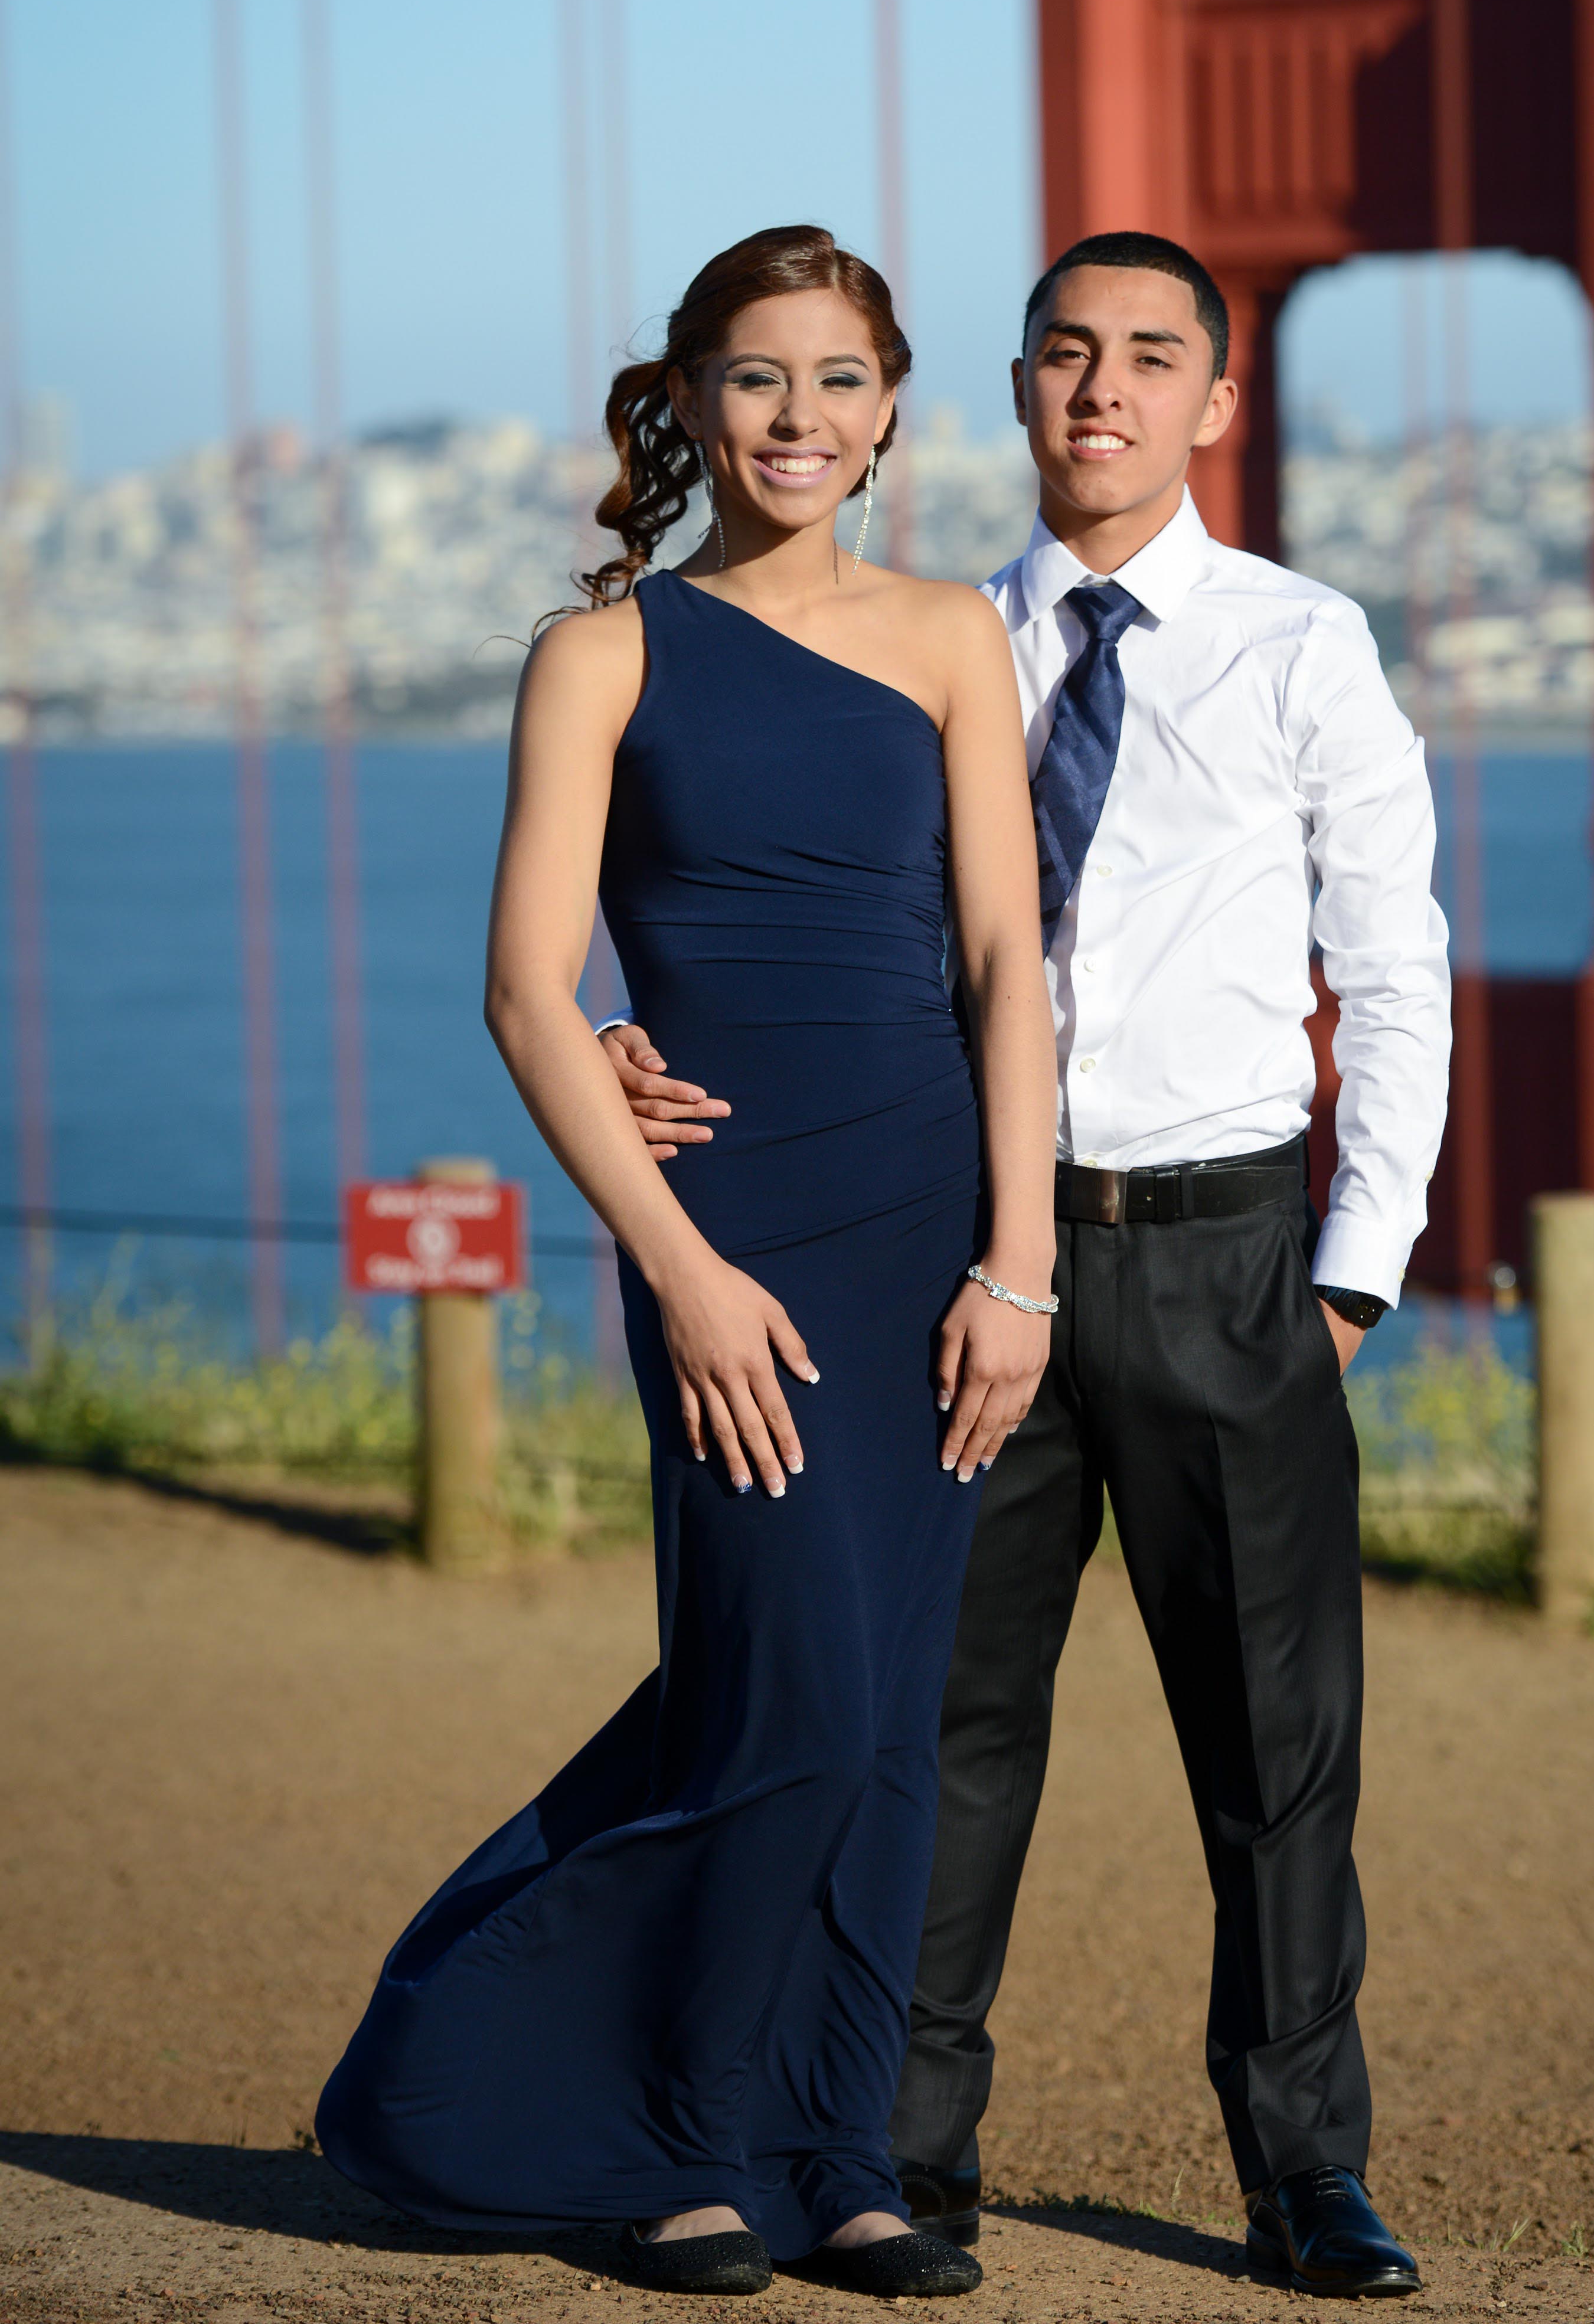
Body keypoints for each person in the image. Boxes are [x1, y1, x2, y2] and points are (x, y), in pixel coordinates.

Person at [601, 230, 1452, 2297]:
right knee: (939, 1728)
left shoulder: (1300, 640)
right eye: (1067, 352)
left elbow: (1393, 964)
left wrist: (1347, 1280)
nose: (1104, 391)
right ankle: (892, 2148)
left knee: (1273, 1750)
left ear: (1214, 405)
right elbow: (767, 880)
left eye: (1152, 359)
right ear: (998, 386)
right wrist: (642, 1032)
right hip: (950, 1263)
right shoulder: (915, 634)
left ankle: (1301, 2175)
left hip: (1222, 1255)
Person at [317, 226, 1059, 2302]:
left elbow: (1005, 965)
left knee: (891, 1714)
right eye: (755, 379)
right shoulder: (604, 650)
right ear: (689, 401)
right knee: (787, 1702)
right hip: (724, 1234)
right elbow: (530, 993)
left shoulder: (945, 639)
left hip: (931, 1225)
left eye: (836, 380)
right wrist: (674, 1266)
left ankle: (839, 2153)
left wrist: (1021, 1265)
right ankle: (668, 2142)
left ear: (893, 407)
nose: (798, 419)